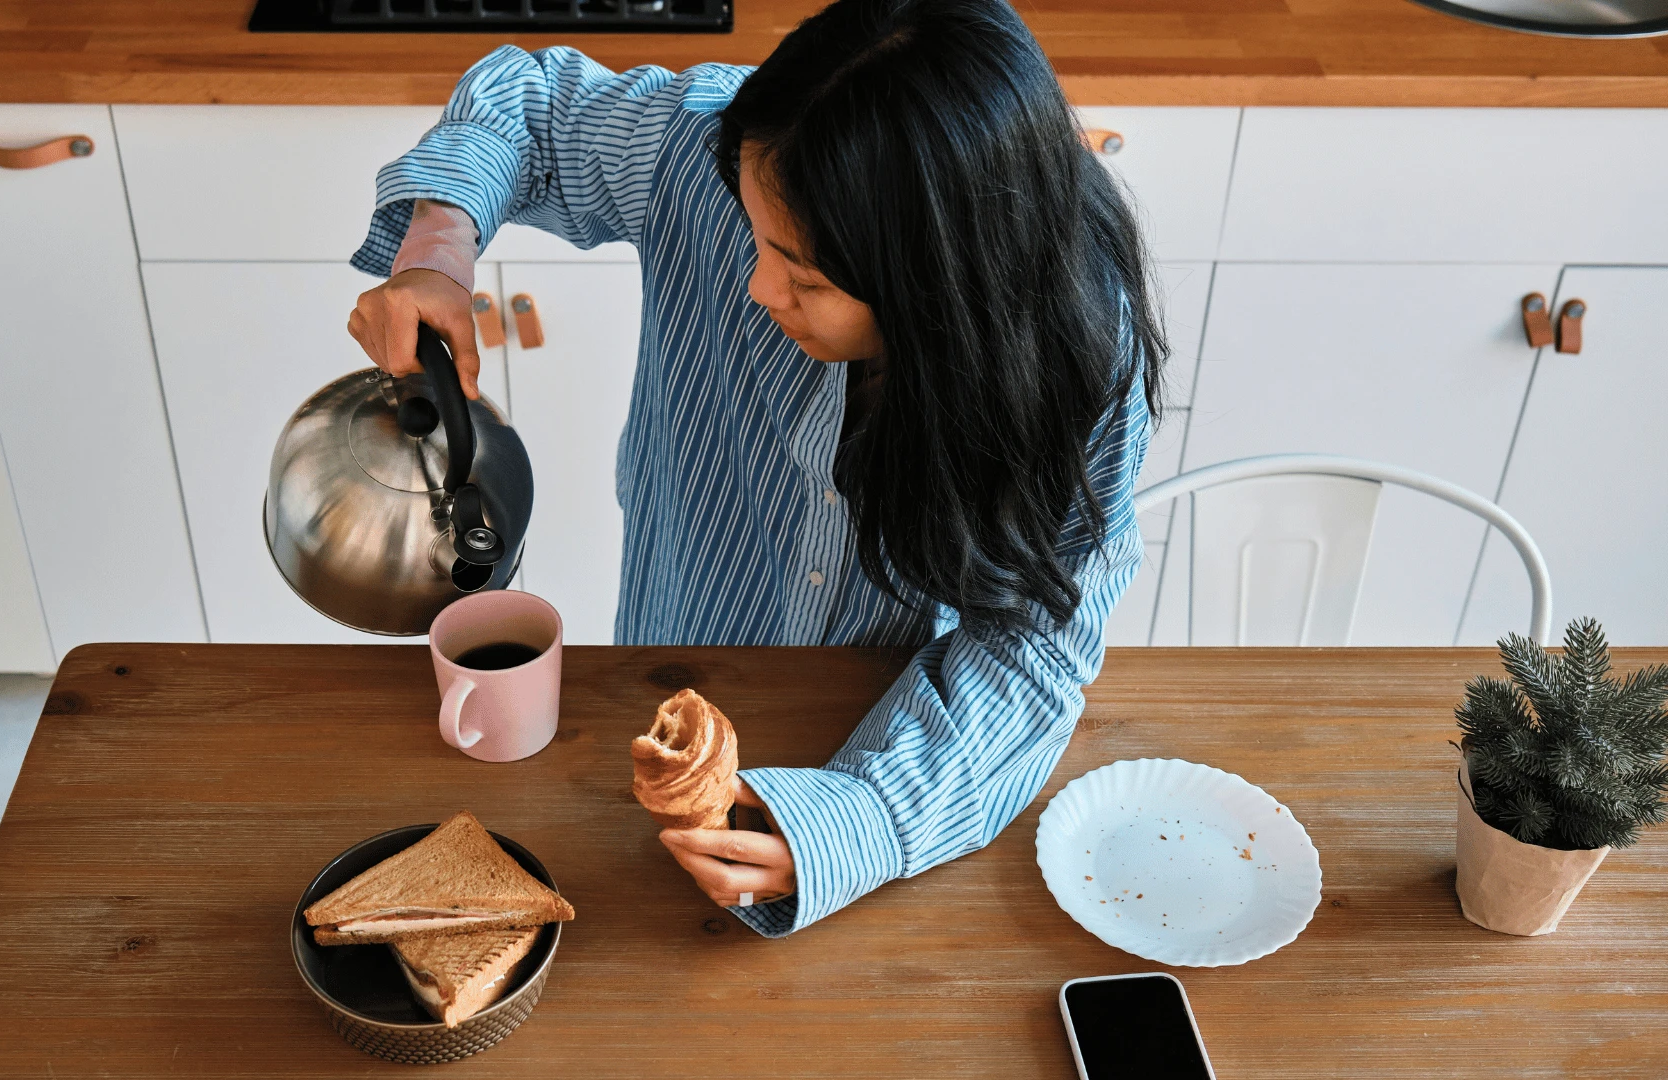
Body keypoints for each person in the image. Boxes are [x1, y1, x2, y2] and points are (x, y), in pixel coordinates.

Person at [346, 0, 1165, 937]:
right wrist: (438, 256)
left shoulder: (1076, 352)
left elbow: (1033, 646)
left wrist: (860, 822)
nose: (758, 287)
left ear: (944, 289)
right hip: (671, 654)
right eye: (756, 236)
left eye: (807, 276)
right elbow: (525, 101)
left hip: (903, 739)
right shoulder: (722, 147)